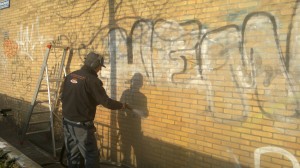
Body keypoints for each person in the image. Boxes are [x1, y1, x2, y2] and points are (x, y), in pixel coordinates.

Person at [61, 51, 130, 168]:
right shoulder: (92, 80)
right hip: (81, 126)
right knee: (91, 156)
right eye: (99, 67)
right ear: (94, 65)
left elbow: (64, 97)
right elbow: (106, 102)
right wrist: (121, 105)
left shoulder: (70, 76)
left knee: (73, 155)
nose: (100, 70)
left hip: (68, 123)